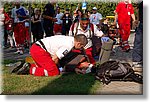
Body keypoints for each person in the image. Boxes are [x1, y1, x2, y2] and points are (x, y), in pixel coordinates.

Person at [16, 34, 88, 76]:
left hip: (37, 48)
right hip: (40, 51)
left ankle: (25, 65)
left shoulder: (68, 39)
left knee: (45, 67)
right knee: (54, 71)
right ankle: (29, 70)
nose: (81, 49)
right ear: (78, 43)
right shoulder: (68, 46)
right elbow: (55, 58)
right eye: (81, 46)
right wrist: (57, 68)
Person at [132, 1, 143, 68]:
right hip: (142, 23)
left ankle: (136, 60)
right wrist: (138, 20)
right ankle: (136, 60)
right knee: (138, 42)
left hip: (141, 23)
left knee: (138, 42)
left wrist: (137, 20)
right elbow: (138, 10)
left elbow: (138, 10)